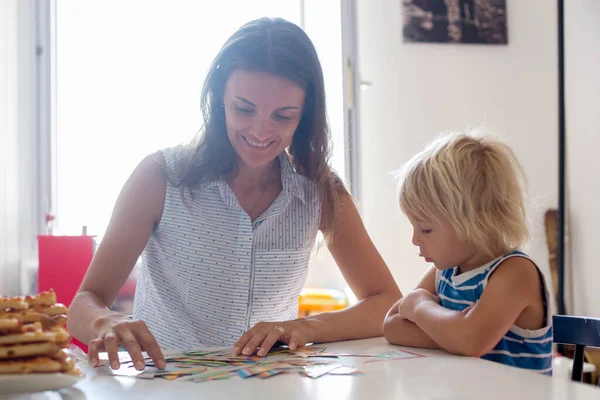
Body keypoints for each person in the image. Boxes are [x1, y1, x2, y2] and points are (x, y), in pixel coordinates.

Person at [67, 17, 401, 371]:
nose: (261, 131)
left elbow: (386, 302)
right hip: (165, 386)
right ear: (219, 100)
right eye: (244, 109)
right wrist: (106, 321)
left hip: (273, 388)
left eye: (283, 116)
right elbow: (83, 305)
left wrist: (304, 326)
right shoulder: (161, 176)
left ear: (305, 115)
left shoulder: (321, 190)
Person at [383, 132, 553, 375]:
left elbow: (470, 341)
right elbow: (391, 326)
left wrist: (421, 307)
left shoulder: (516, 272)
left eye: (426, 229)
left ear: (476, 222)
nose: (415, 239)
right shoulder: (443, 272)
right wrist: (452, 334)